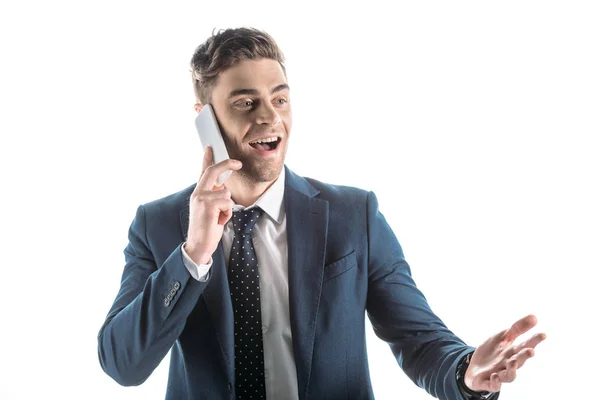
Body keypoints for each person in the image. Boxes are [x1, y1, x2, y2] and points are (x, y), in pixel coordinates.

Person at [97, 27, 546, 400]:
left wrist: (466, 372)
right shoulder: (157, 225)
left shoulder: (354, 215)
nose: (270, 118)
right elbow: (122, 365)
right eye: (245, 103)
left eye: (279, 99)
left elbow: (419, 338)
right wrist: (193, 255)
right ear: (205, 120)